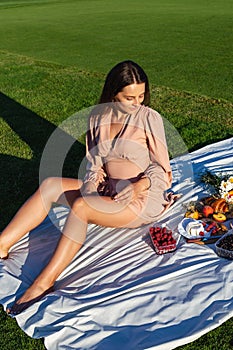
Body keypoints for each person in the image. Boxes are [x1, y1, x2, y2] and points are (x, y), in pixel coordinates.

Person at [0, 60, 172, 315]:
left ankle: (43, 283)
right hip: (109, 190)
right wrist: (91, 186)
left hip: (143, 197)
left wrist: (137, 187)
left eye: (141, 96)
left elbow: (163, 170)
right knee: (50, 186)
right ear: (113, 93)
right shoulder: (96, 117)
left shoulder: (148, 118)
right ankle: (2, 244)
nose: (137, 103)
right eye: (129, 97)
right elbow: (95, 164)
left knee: (81, 208)